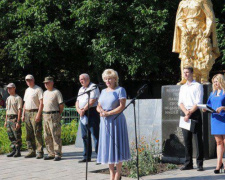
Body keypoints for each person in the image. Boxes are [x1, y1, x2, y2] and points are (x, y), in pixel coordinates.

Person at [173, 0, 220, 85]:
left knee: (202, 54)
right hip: (187, 33)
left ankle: (203, 77)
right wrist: (183, 28)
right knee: (186, 55)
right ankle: (185, 78)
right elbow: (179, 19)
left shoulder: (203, 1)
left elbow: (210, 16)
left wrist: (208, 29)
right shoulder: (183, 3)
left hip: (200, 31)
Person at [96, 69, 131, 180]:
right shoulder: (103, 91)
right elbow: (98, 105)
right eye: (105, 79)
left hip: (116, 121)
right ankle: (111, 174)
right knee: (108, 147)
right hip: (105, 122)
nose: (107, 81)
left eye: (110, 78)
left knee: (117, 146)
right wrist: (100, 111)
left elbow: (122, 106)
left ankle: (118, 173)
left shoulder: (120, 90)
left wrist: (108, 113)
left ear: (115, 79)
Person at [178, 66, 204, 171]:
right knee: (187, 140)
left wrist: (189, 113)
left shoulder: (198, 86)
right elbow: (180, 102)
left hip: (194, 113)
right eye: (184, 72)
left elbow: (198, 102)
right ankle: (188, 163)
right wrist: (186, 113)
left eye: (187, 72)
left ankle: (200, 164)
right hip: (184, 114)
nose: (185, 74)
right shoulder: (182, 87)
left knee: (198, 139)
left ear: (192, 73)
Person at [76, 73, 100, 163]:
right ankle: (86, 156)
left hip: (92, 112)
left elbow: (92, 100)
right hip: (82, 113)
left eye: (82, 79)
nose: (81, 81)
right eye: (80, 79)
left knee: (95, 136)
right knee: (85, 136)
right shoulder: (81, 89)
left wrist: (84, 109)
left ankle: (99, 156)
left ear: (88, 79)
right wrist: (79, 110)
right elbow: (77, 101)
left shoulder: (93, 87)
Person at [203, 74, 225, 173]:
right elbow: (209, 105)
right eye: (214, 81)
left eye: (217, 81)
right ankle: (218, 165)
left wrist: (223, 108)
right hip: (215, 119)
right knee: (219, 143)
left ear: (222, 81)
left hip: (224, 119)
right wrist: (204, 108)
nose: (216, 83)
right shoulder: (212, 93)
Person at [22, 74, 44, 159]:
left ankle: (39, 151)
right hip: (27, 112)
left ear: (33, 80)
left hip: (35, 111)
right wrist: (23, 114)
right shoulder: (27, 90)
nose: (28, 81)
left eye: (30, 80)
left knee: (37, 132)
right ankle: (31, 151)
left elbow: (41, 103)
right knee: (28, 133)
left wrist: (39, 114)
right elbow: (24, 103)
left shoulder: (38, 89)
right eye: (27, 80)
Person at [42, 77, 64, 161]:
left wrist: (58, 114)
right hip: (45, 115)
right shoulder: (45, 93)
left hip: (54, 114)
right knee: (46, 135)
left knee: (55, 135)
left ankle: (58, 153)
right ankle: (50, 153)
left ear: (52, 83)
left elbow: (61, 105)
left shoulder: (56, 92)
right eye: (45, 83)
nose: (46, 84)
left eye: (48, 83)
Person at [4, 83, 23, 157]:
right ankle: (13, 149)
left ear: (14, 88)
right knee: (10, 135)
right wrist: (6, 120)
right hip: (9, 118)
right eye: (8, 88)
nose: (8, 89)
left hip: (14, 118)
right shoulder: (8, 98)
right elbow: (6, 110)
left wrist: (18, 121)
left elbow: (19, 110)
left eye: (10, 88)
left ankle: (18, 151)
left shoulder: (18, 98)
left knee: (17, 135)